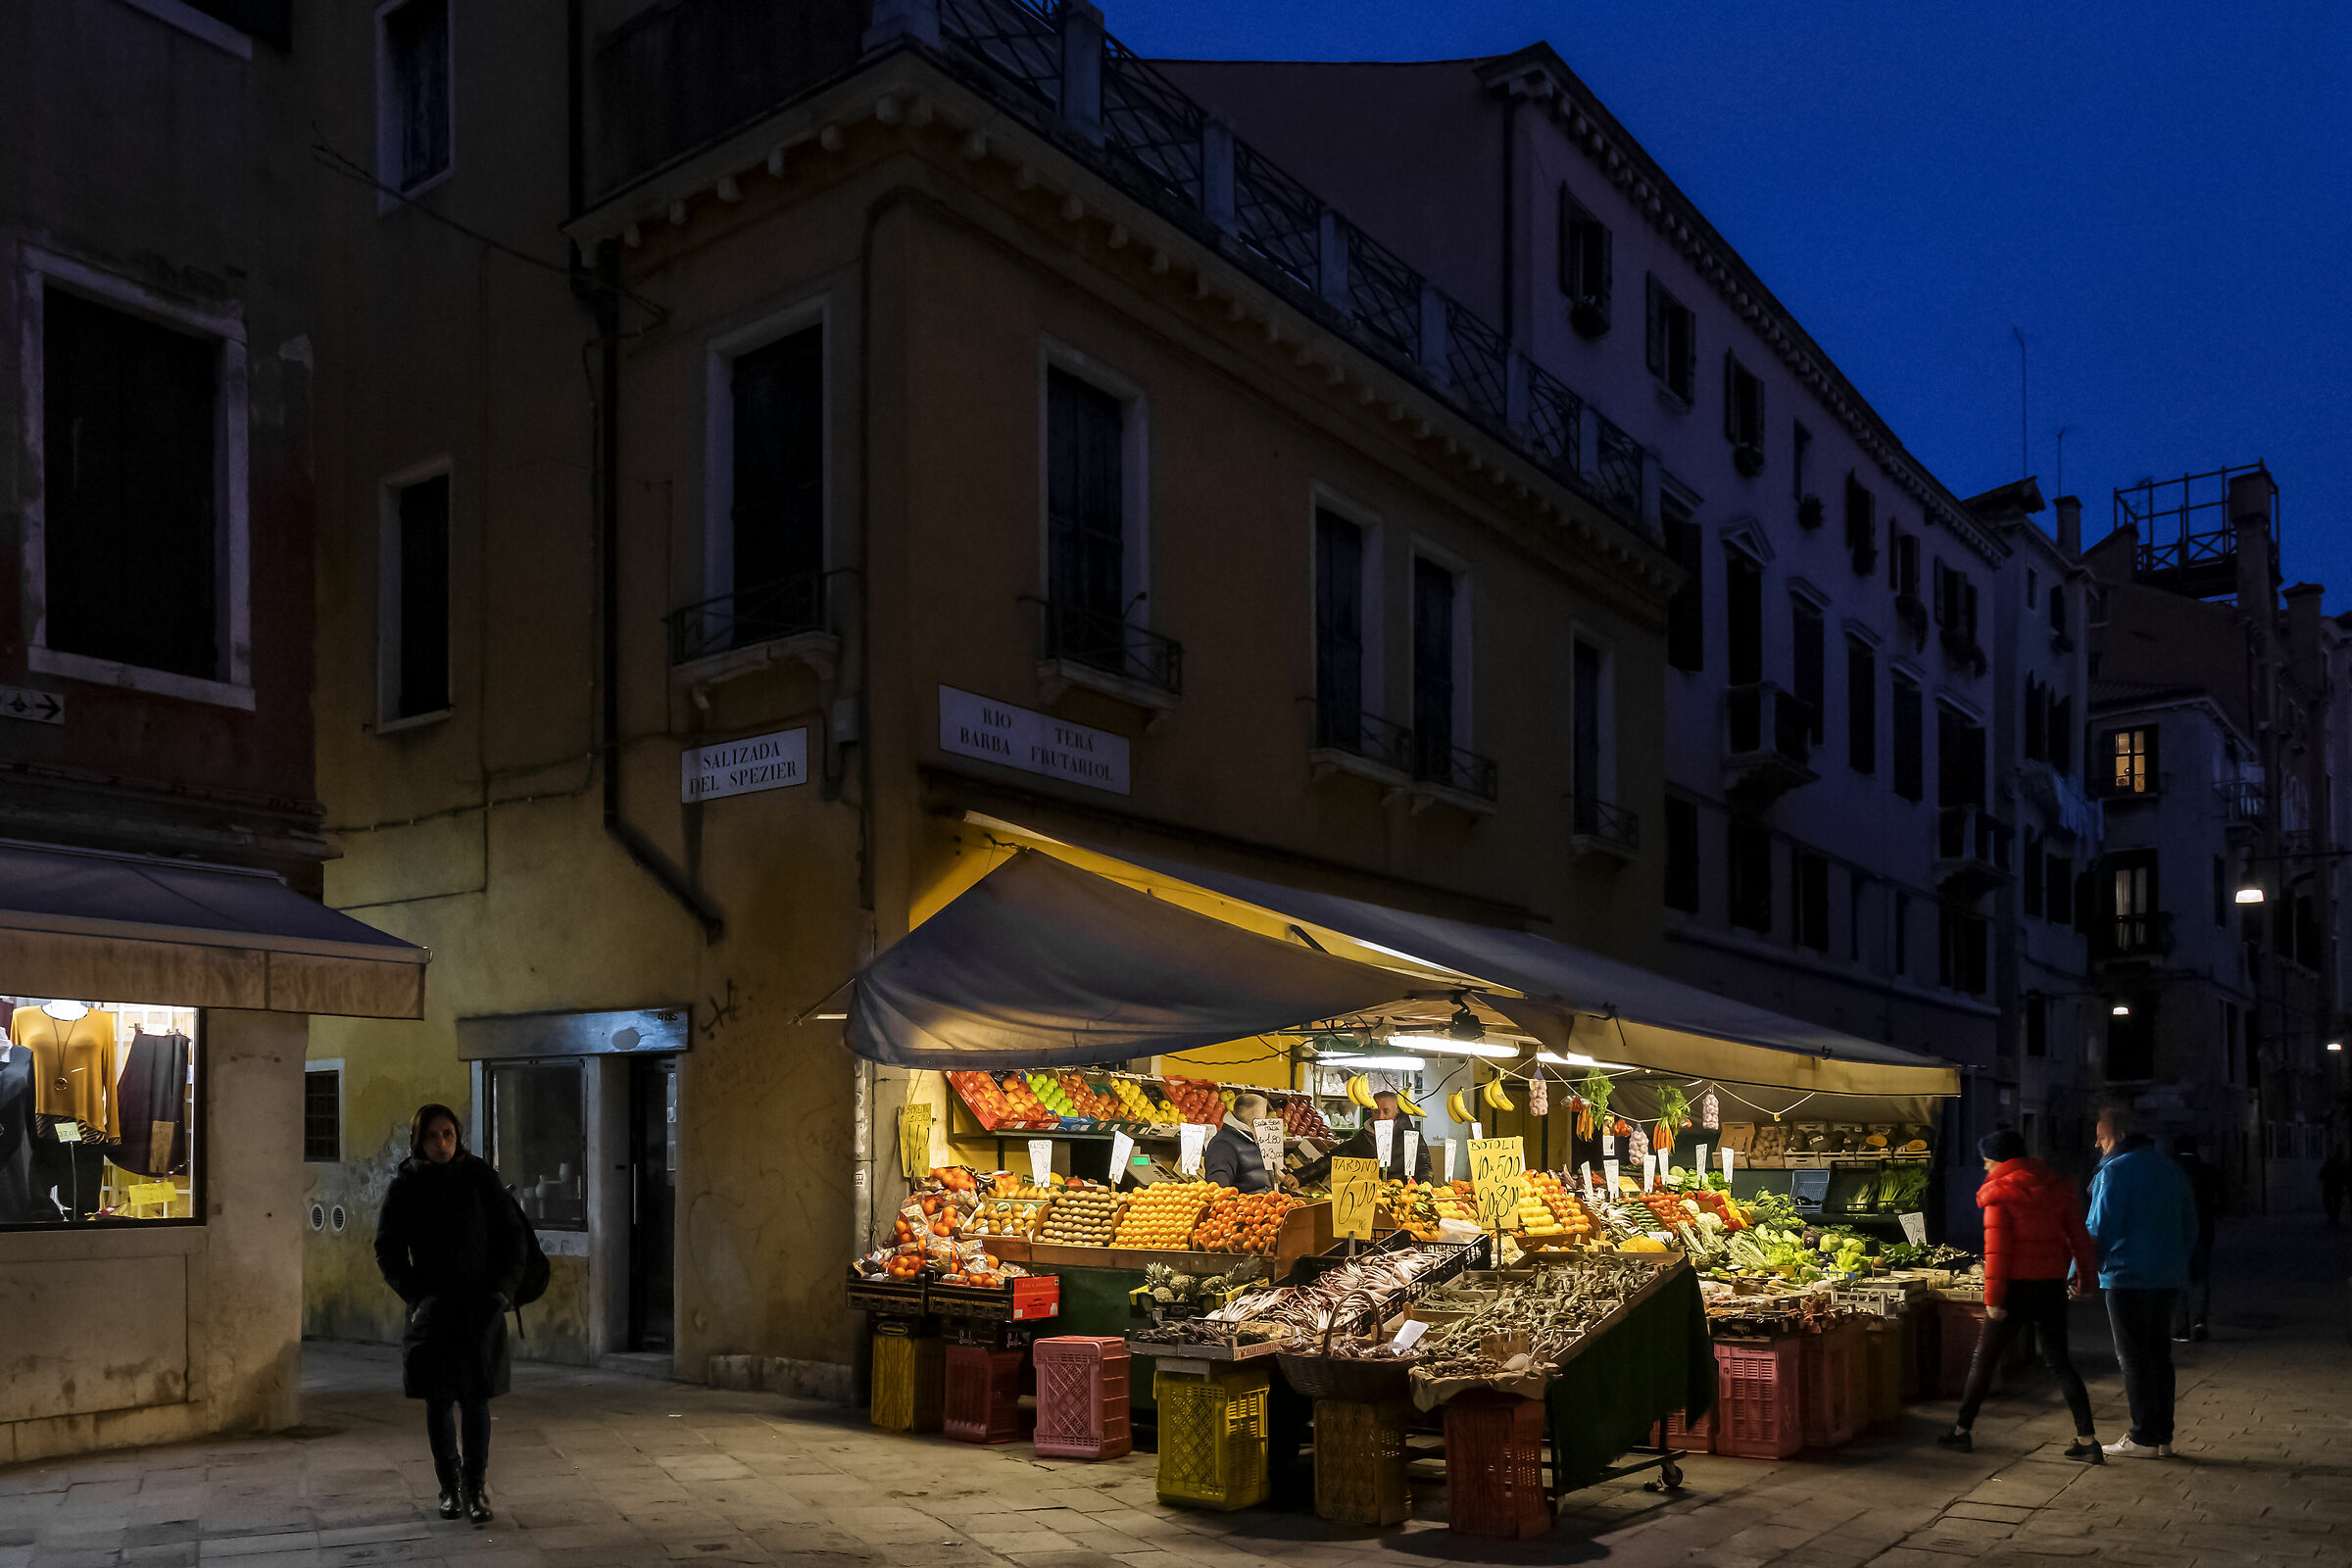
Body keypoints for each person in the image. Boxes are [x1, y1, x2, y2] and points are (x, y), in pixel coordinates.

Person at [374, 1103, 528, 1524]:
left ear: (457, 1135)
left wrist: (500, 1293)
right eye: (432, 1136)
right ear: (419, 1141)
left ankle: (476, 1490)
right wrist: (417, 1296)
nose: (441, 1143)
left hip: (479, 1308)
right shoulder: (407, 1185)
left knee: (476, 1400)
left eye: (447, 1134)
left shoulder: (479, 1179)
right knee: (439, 1401)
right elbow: (387, 1249)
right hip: (434, 1310)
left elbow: (515, 1240)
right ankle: (450, 1488)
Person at [1936, 1128, 2102, 1459]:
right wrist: (2087, 1282)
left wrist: (1993, 1301)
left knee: (1983, 1361)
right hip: (2051, 1287)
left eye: (1987, 1162)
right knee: (2060, 1363)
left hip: (2013, 1289)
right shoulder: (2057, 1187)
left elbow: (1997, 1253)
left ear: (2000, 1161)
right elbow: (2079, 1238)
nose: (1985, 1169)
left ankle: (1962, 1431)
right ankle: (2087, 1440)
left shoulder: (2000, 1192)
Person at [2085, 1102, 2199, 1458]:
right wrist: (2175, 1262)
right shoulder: (2170, 1168)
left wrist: (2079, 1274)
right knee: (2159, 1356)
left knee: (2133, 1358)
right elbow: (2190, 1226)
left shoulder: (2114, 1173)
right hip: (2166, 1278)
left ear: (2118, 1136)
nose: (2096, 1144)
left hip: (2126, 1277)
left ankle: (2143, 1438)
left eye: (2101, 1136)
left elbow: (2099, 1229)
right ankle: (2162, 1436)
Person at [1298, 1089, 1433, 1184]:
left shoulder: (1412, 1137)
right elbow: (1330, 1160)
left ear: (1397, 1111)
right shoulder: (1363, 1138)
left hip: (1405, 1199)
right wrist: (1299, 1177)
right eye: (1376, 1112)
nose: (1380, 1117)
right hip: (1372, 1200)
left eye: (1386, 1112)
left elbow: (1424, 1168)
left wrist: (1423, 1189)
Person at [2170, 1135, 2223, 1342]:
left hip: (2177, 1233)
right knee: (2201, 1277)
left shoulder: (2171, 1171)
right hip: (2203, 1230)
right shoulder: (2207, 1171)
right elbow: (2221, 1201)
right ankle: (2200, 1323)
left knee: (2180, 1278)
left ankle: (2182, 1328)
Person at [1202, 1093, 1278, 1193]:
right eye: (1264, 1119)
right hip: (1245, 1207)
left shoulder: (1252, 1140)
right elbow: (1218, 1192)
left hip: (1263, 1206)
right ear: (1257, 1121)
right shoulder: (1222, 1145)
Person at [2322, 1149, 2348, 1230]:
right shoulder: (2340, 1164)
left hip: (2330, 1187)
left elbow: (2322, 1175)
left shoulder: (2330, 1164)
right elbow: (2344, 1177)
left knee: (2329, 1203)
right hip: (2336, 1187)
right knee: (2336, 1204)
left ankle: (2332, 1218)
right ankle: (2334, 1219)